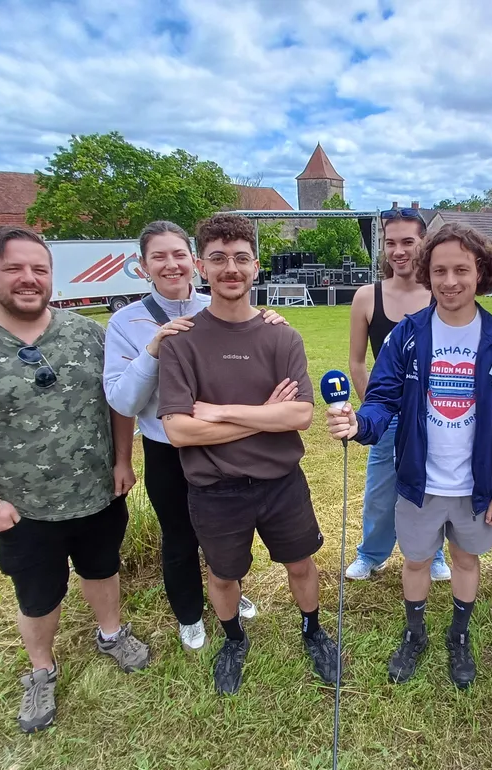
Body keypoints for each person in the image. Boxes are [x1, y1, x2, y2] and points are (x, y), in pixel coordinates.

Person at [0, 225, 149, 734]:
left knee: (102, 568)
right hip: (21, 508)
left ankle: (110, 632)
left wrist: (123, 460)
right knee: (37, 593)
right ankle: (41, 669)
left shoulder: (87, 335)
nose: (29, 279)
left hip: (98, 492)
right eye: (14, 268)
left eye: (39, 269)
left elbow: (117, 402)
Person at [326, 223, 492, 689]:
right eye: (439, 270)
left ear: (481, 272)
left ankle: (459, 635)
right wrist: (362, 424)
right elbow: (381, 398)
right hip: (420, 481)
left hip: (475, 487)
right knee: (415, 561)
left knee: (465, 560)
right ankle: (414, 633)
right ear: (426, 273)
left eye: (462, 269)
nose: (450, 280)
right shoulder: (408, 335)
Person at [158, 213, 338, 696]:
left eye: (240, 258)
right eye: (218, 259)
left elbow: (299, 416)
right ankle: (234, 640)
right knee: (223, 574)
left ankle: (313, 630)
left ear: (256, 266)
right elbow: (177, 430)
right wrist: (262, 415)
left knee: (300, 564)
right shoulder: (182, 342)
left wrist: (217, 413)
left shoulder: (283, 337)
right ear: (201, 266)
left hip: (281, 483)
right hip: (215, 490)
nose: (230, 268)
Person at [103, 220, 287, 650]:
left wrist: (269, 320)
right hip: (168, 449)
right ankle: (188, 612)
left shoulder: (217, 303)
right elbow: (123, 401)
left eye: (178, 255)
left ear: (194, 262)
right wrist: (153, 350)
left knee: (228, 528)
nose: (171, 265)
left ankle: (230, 595)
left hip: (223, 441)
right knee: (180, 535)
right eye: (158, 257)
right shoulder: (125, 323)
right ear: (142, 266)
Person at [344, 208, 450, 581]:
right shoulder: (367, 297)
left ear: (424, 243)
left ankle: (433, 554)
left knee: (432, 487)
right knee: (379, 490)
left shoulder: (441, 294)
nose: (399, 251)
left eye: (408, 242)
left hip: (435, 413)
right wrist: (375, 409)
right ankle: (372, 553)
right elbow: (358, 362)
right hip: (387, 414)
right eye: (391, 243)